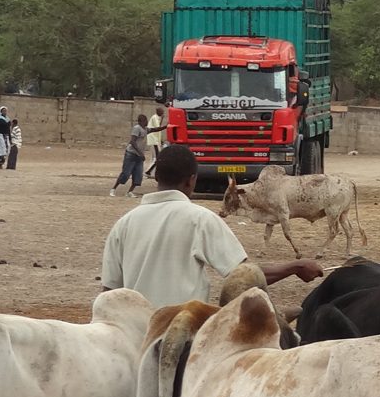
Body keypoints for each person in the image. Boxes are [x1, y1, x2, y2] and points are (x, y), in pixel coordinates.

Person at [101, 145, 321, 307]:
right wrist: (294, 267)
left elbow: (108, 292)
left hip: (135, 339)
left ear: (156, 175)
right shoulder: (200, 220)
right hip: (182, 334)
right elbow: (243, 275)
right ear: (191, 180)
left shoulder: (123, 225)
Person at [110, 114, 149, 198]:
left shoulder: (145, 129)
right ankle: (113, 189)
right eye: (145, 120)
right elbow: (133, 141)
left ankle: (130, 192)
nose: (147, 122)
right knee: (126, 173)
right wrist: (141, 153)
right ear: (141, 121)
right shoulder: (137, 128)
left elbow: (155, 129)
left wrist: (165, 127)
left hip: (139, 156)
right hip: (131, 154)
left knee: (138, 175)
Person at [144, 106, 168, 177]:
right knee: (158, 158)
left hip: (155, 140)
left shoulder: (157, 118)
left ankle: (152, 173)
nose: (163, 113)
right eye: (162, 112)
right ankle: (147, 172)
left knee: (155, 157)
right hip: (154, 140)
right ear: (158, 112)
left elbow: (158, 128)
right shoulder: (154, 117)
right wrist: (166, 126)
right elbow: (158, 128)